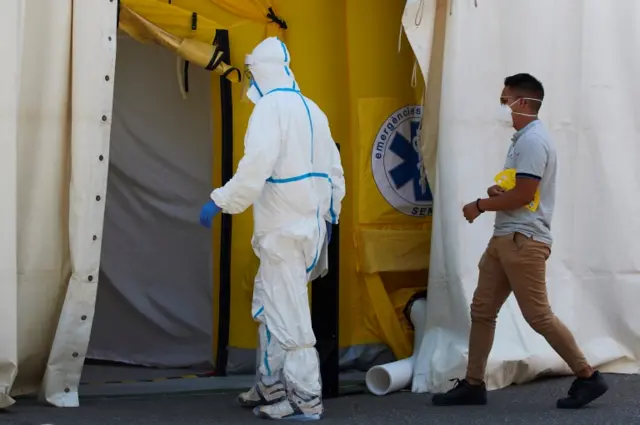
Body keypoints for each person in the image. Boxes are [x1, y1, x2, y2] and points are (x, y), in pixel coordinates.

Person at [431, 73, 608, 409]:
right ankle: (473, 383)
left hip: (522, 241)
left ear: (523, 102)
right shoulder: (525, 139)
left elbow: (525, 193)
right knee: (483, 310)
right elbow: (524, 193)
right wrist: (499, 194)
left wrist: (481, 205)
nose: (503, 106)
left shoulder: (531, 141)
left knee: (538, 316)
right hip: (507, 239)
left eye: (505, 99)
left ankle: (587, 376)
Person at [199, 36, 345, 421]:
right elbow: (335, 171)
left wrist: (221, 201)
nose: (248, 81)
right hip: (309, 229)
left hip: (282, 230)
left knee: (289, 314)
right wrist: (330, 216)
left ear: (260, 72)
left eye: (250, 74)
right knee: (270, 306)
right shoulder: (313, 109)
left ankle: (305, 399)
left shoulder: (269, 109)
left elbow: (255, 167)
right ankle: (271, 385)